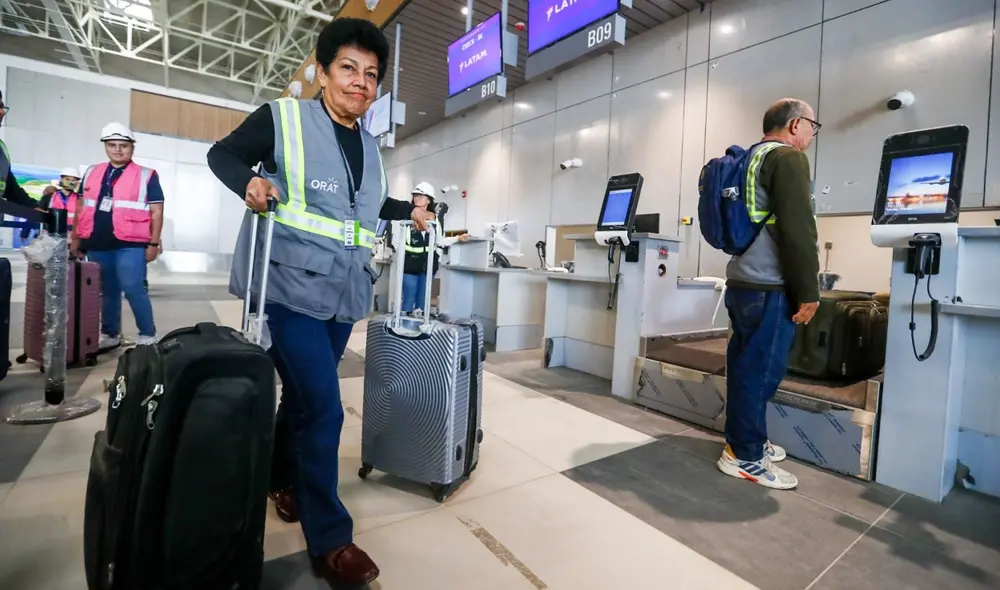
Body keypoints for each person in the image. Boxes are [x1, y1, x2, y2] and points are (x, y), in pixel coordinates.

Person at [206, 18, 434, 589]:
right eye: (349, 69)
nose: (360, 83)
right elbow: (222, 155)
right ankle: (330, 538)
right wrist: (248, 184)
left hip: (342, 292)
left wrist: (413, 212)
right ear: (323, 72)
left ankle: (281, 479)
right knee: (326, 408)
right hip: (287, 288)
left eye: (371, 75)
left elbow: (366, 208)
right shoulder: (284, 119)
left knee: (305, 400)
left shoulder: (372, 147)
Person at [716, 98, 821, 490]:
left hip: (742, 282)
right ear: (795, 125)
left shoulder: (748, 158)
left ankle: (744, 439)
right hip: (769, 287)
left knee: (744, 366)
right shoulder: (788, 159)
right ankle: (744, 455)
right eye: (812, 125)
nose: (812, 134)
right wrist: (808, 291)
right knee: (760, 373)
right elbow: (798, 231)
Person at [71, 123, 164, 348]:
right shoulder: (92, 172)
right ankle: (110, 334)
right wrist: (76, 237)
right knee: (107, 290)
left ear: (132, 147)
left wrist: (154, 243)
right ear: (105, 147)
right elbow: (81, 205)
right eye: (112, 145)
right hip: (98, 240)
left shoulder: (146, 175)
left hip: (131, 243)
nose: (118, 150)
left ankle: (148, 334)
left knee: (133, 287)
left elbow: (157, 211)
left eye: (124, 145)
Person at [383, 181, 470, 314]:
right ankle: (404, 328)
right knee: (408, 299)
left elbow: (440, 241)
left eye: (421, 196)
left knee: (422, 300)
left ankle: (419, 328)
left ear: (429, 200)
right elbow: (396, 243)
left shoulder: (434, 220)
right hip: (409, 266)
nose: (417, 198)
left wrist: (458, 238)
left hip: (427, 266)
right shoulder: (404, 220)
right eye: (415, 195)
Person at [0, 90, 43, 208]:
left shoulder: (2, 149)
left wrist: (34, 206)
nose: (2, 112)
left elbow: (11, 189)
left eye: (3, 108)